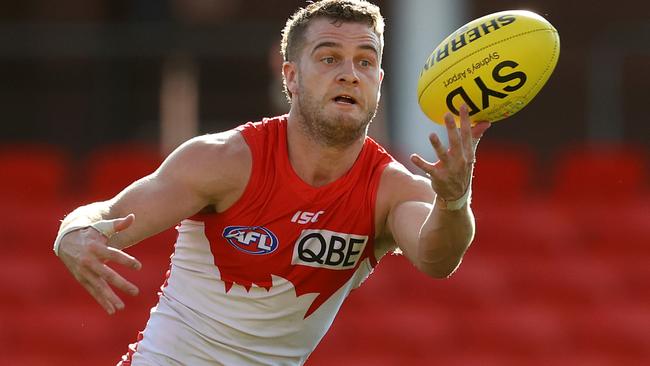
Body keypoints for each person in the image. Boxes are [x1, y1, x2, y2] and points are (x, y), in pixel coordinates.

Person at [53, 0, 490, 364]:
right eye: (328, 57)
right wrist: (74, 231)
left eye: (365, 61)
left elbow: (438, 258)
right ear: (291, 77)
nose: (349, 73)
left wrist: (454, 200)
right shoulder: (224, 160)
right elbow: (108, 214)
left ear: (378, 80)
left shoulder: (392, 189)